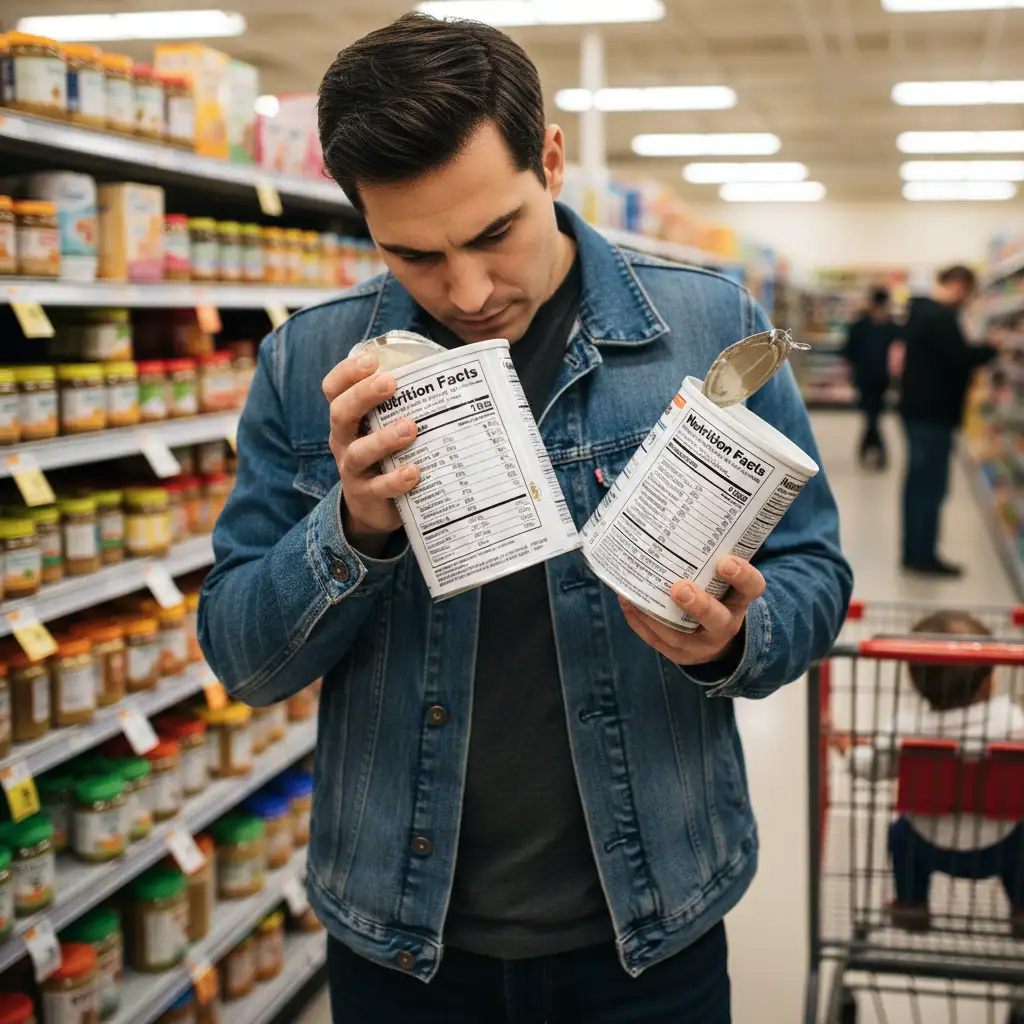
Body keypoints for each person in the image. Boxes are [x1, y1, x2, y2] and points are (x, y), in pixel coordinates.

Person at [198, 13, 852, 1022]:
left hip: (651, 930)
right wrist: (354, 528)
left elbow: (815, 573)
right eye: (412, 255)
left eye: (493, 232)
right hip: (401, 943)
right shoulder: (305, 367)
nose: (466, 291)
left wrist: (733, 639)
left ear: (550, 160)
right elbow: (244, 658)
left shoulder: (708, 329)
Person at [840, 611, 1024, 936]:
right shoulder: (1013, 723)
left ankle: (911, 906)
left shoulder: (908, 730)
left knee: (900, 834)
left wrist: (847, 750)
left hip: (928, 845)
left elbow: (872, 767)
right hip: (1004, 845)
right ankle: (1021, 910)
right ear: (988, 678)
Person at [899, 265, 997, 577]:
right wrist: (992, 348)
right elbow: (960, 357)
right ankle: (923, 556)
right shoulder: (939, 317)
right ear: (958, 285)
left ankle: (915, 552)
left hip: (919, 412)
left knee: (918, 485)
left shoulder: (922, 313)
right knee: (929, 486)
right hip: (932, 416)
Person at [842, 287, 898, 470]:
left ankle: (868, 450)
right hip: (864, 378)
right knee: (872, 414)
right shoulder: (862, 326)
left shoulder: (892, 327)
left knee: (873, 414)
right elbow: (847, 350)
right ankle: (877, 452)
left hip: (883, 379)